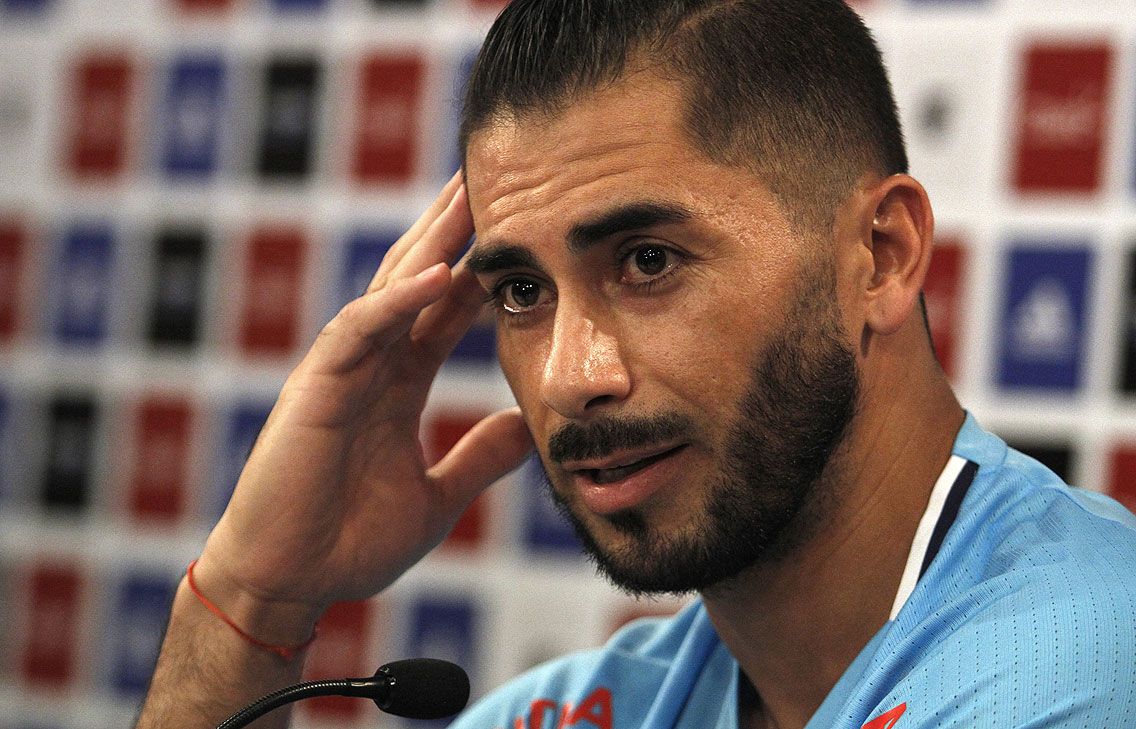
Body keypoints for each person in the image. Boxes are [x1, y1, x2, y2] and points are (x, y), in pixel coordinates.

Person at [136, 1, 1136, 727]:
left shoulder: (1074, 667)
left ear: (880, 255)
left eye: (648, 262)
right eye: (520, 291)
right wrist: (253, 601)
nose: (570, 376)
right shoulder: (610, 702)